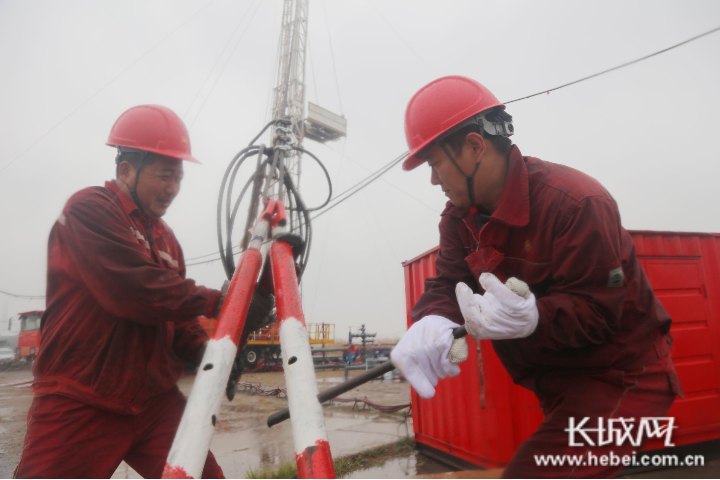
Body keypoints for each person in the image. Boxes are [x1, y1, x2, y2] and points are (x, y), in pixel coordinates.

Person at [391, 76, 683, 478]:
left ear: (475, 147)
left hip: (623, 377)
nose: (434, 180)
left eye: (436, 163)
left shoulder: (576, 203)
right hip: (557, 378)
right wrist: (433, 319)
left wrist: (536, 318)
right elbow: (448, 282)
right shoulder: (460, 218)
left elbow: (600, 311)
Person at [14, 105, 270, 479]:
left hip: (152, 402)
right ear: (125, 170)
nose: (173, 189)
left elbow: (177, 319)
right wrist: (223, 301)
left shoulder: (166, 239)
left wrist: (206, 353)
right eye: (164, 176)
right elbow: (132, 289)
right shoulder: (89, 211)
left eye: (179, 178)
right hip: (82, 397)